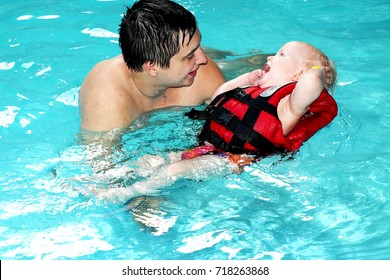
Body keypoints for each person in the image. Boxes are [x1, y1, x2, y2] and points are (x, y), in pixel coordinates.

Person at [88, 41, 338, 204]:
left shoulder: (288, 107)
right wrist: (246, 78)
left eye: (282, 55)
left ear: (298, 75)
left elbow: (311, 86)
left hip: (232, 160)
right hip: (209, 148)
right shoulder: (252, 90)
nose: (272, 56)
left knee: (173, 171)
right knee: (152, 161)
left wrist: (314, 70)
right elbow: (220, 97)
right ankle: (106, 179)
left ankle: (125, 193)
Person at [78, 0, 225, 139]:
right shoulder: (107, 103)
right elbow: (101, 162)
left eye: (198, 46)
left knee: (242, 64)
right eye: (190, 55)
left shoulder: (203, 74)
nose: (203, 59)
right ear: (152, 67)